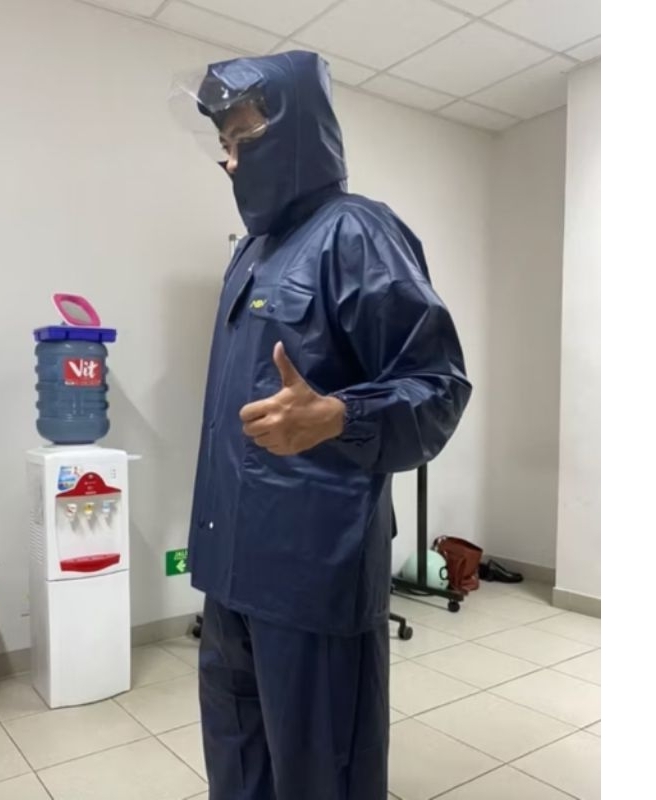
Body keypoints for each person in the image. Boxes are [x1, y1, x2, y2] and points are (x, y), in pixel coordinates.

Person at [174, 50, 472, 800]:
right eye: (224, 145)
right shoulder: (251, 254)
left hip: (312, 576)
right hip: (231, 569)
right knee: (237, 764)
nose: (230, 161)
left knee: (321, 774)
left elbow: (438, 388)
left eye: (244, 138)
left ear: (297, 132)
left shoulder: (358, 234)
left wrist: (341, 414)